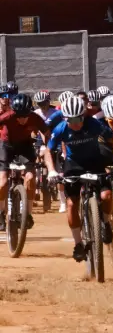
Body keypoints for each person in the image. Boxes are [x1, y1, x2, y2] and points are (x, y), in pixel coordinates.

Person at [43, 96, 113, 262]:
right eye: (72, 120)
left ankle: (105, 222)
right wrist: (52, 171)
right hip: (73, 165)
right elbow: (48, 151)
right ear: (66, 119)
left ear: (84, 116)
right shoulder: (60, 129)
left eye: (79, 119)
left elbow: (112, 138)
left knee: (106, 196)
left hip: (95, 163)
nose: (76, 123)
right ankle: (78, 243)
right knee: (71, 203)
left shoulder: (94, 124)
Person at [0, 94, 48, 232]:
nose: (22, 119)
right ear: (14, 112)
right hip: (6, 146)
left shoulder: (35, 118)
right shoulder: (7, 116)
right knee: (2, 182)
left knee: (30, 178)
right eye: (18, 116)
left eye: (25, 116)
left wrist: (45, 147)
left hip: (25, 146)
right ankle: (1, 213)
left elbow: (46, 132)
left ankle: (28, 214)